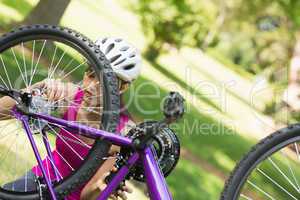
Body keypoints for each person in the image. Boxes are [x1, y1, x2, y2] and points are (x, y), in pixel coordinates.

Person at [0, 37, 141, 200]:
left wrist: (102, 186)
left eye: (104, 81)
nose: (91, 86)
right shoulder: (71, 97)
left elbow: (86, 196)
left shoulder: (123, 133)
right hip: (40, 180)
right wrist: (39, 87)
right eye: (91, 74)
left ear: (122, 87)